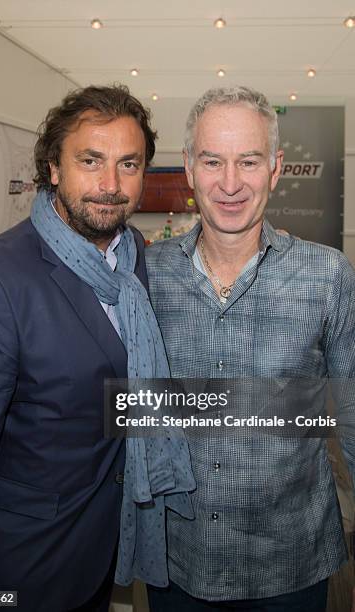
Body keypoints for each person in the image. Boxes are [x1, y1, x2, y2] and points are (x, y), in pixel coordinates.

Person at [0, 84, 166, 612]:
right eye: (91, 160)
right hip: (20, 568)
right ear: (53, 168)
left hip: (100, 548)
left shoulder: (132, 253)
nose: (110, 185)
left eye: (129, 164)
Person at [146, 86, 355, 611]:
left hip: (289, 564)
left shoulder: (326, 276)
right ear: (189, 168)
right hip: (177, 564)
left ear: (276, 168)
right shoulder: (147, 276)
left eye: (249, 161)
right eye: (213, 161)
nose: (231, 184)